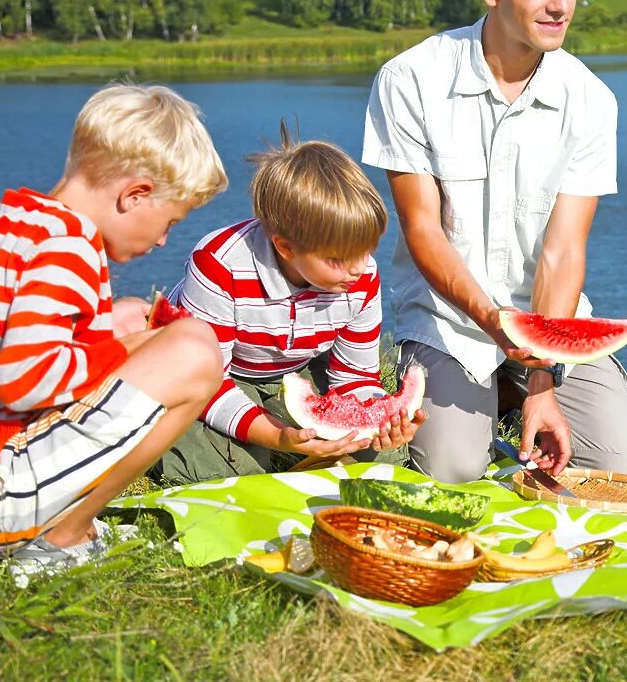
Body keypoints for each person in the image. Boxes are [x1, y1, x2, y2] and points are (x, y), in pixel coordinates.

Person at [361, 0, 627, 483]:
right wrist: (496, 325)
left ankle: (516, 396)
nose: (560, 7)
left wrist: (542, 378)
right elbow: (422, 228)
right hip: (448, 320)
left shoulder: (591, 101)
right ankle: (482, 412)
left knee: (623, 465)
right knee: (453, 468)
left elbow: (564, 250)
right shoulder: (410, 79)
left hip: (547, 323)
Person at [0, 83, 227, 578]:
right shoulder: (70, 247)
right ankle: (59, 538)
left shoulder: (1, 221)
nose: (165, 238)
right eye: (169, 221)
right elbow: (27, 381)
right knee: (196, 350)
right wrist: (128, 347)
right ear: (135, 194)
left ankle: (56, 525)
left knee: (126, 312)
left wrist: (121, 335)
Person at [150, 130, 425, 485]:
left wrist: (384, 420)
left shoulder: (361, 275)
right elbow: (206, 382)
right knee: (229, 471)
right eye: (338, 259)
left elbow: (356, 378)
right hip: (208, 375)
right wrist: (276, 436)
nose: (359, 268)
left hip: (290, 370)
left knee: (385, 453)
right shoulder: (220, 264)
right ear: (286, 247)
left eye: (367, 250)